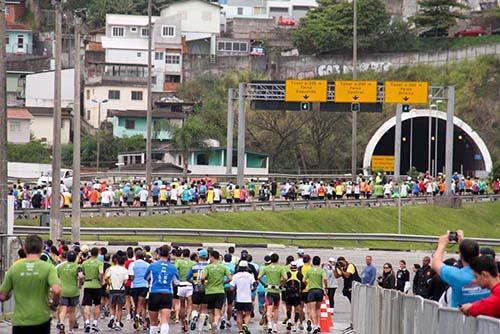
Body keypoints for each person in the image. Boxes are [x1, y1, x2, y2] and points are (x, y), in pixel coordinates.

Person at [0, 235, 61, 334]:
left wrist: (9, 294)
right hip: (41, 319)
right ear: (41, 248)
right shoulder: (48, 267)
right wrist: (54, 304)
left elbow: (2, 296)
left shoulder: (14, 268)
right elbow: (57, 290)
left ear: (24, 249)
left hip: (20, 321)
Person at [432, 230, 490, 307]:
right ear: (479, 253)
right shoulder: (489, 273)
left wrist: (442, 244)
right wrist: (464, 243)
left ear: (460, 255)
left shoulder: (456, 275)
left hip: (459, 317)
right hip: (485, 318)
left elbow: (435, 263)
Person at [144, 245, 180, 334]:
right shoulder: (173, 267)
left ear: (159, 254)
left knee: (153, 322)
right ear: (169, 255)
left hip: (154, 293)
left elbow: (146, 278)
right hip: (167, 294)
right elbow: (176, 282)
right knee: (165, 322)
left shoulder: (152, 266)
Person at [202, 250, 232, 332]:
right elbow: (230, 278)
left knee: (211, 311)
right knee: (218, 310)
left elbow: (202, 277)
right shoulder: (223, 267)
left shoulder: (208, 267)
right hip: (220, 291)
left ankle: (212, 328)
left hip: (210, 291)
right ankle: (215, 322)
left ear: (212, 257)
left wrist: (204, 284)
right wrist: (223, 282)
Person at [259, 253, 287, 334]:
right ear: (278, 260)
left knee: (269, 308)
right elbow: (285, 278)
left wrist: (264, 284)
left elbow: (258, 277)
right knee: (276, 309)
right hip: (277, 291)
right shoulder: (280, 268)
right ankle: (275, 326)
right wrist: (282, 284)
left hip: (269, 291)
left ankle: (269, 325)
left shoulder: (266, 268)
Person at [57, 250, 84, 334]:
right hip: (73, 291)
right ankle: (70, 330)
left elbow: (57, 277)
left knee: (63, 309)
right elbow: (81, 276)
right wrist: (80, 283)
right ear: (75, 258)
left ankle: (61, 323)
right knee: (72, 311)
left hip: (63, 290)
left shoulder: (60, 267)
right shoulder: (77, 266)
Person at [81, 247, 104, 333]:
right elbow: (101, 272)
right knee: (97, 305)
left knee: (87, 305)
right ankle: (94, 323)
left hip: (87, 284)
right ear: (97, 254)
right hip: (96, 285)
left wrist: (83, 281)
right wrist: (101, 280)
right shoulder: (99, 263)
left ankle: (87, 323)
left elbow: (81, 274)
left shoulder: (85, 263)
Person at [230, 260, 256, 334]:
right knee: (248, 314)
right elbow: (254, 285)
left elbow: (231, 287)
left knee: (239, 314)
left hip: (239, 298)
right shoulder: (250, 276)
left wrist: (235, 288)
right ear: (247, 267)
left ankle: (240, 330)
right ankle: (245, 324)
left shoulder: (235, 276)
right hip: (247, 298)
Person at [303, 256, 327, 334]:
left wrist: (307, 284)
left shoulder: (309, 270)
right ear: (319, 262)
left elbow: (303, 280)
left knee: (312, 309)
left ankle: (314, 325)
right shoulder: (321, 270)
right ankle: (318, 324)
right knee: (318, 309)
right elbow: (325, 279)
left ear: (313, 262)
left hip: (312, 290)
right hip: (319, 290)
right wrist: (325, 287)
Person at [105, 254, 129, 331]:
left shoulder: (112, 269)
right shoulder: (125, 270)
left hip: (112, 289)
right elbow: (125, 282)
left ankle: (112, 317)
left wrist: (109, 284)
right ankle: (118, 323)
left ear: (117, 261)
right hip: (121, 290)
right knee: (120, 308)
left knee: (112, 305)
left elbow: (105, 277)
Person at [129, 249, 150, 330]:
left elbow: (131, 277)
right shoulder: (147, 265)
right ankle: (139, 317)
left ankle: (137, 317)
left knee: (136, 303)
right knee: (142, 304)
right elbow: (149, 277)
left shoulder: (132, 264)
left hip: (134, 286)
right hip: (144, 286)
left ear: (136, 256)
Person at [175, 248, 195, 332]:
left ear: (182, 255)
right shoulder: (193, 263)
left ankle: (183, 323)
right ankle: (187, 318)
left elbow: (175, 270)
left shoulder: (179, 262)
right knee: (190, 305)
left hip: (181, 284)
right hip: (190, 285)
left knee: (182, 305)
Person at [284, 261, 303, 332]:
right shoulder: (299, 274)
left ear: (290, 266)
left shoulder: (287, 274)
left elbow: (283, 281)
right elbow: (304, 283)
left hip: (288, 294)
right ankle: (295, 325)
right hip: (297, 294)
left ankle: (289, 320)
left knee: (288, 308)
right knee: (297, 310)